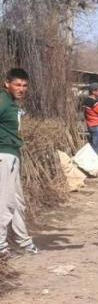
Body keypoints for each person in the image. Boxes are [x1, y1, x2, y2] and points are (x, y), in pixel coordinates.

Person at [0, 68, 38, 259]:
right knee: (4, 202)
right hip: (3, 155)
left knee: (16, 201)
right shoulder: (2, 100)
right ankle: (0, 247)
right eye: (17, 85)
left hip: (12, 155)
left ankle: (24, 242)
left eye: (24, 85)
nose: (21, 89)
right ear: (7, 83)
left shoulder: (11, 103)